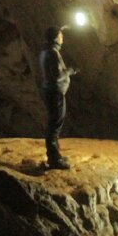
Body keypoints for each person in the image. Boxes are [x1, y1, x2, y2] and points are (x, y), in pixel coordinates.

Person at [38, 25, 77, 170]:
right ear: (55, 38)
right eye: (60, 35)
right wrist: (70, 71)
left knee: (54, 123)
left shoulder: (45, 51)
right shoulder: (52, 53)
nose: (62, 37)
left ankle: (56, 155)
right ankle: (54, 159)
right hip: (55, 92)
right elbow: (57, 75)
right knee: (55, 125)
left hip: (50, 91)